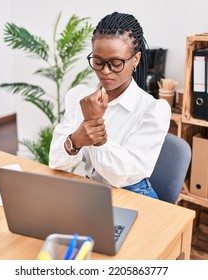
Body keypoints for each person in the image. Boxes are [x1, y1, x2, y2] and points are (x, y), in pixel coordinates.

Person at [49, 12, 171, 199]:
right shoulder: (79, 96)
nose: (105, 71)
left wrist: (95, 128)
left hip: (133, 194)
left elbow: (123, 176)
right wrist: (75, 140)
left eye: (115, 63)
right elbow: (56, 161)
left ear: (135, 59)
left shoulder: (153, 110)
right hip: (92, 189)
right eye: (98, 62)